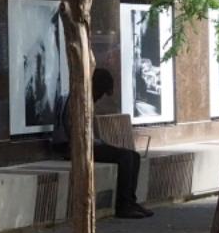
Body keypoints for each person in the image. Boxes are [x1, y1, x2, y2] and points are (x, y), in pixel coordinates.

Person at [48, 68, 155, 219]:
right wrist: (100, 144)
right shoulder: (79, 100)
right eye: (100, 93)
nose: (99, 98)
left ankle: (130, 201)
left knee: (134, 156)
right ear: (94, 87)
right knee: (125, 157)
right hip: (76, 148)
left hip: (86, 144)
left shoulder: (80, 97)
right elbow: (77, 133)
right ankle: (123, 206)